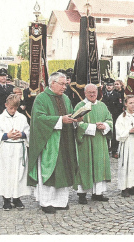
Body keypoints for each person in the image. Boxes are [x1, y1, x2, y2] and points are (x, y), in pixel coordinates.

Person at [28, 72, 80, 214]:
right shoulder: (41, 99)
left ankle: (61, 201)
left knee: (64, 169)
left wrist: (75, 119)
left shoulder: (66, 98)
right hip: (50, 141)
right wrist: (59, 120)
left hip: (65, 139)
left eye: (65, 84)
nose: (65, 87)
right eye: (62, 84)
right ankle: (46, 202)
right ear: (52, 83)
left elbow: (69, 114)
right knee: (49, 170)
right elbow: (38, 119)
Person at [74, 84, 113, 204]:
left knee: (99, 165)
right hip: (86, 142)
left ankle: (98, 193)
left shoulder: (102, 105)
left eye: (94, 92)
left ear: (97, 93)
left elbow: (109, 119)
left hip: (100, 141)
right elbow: (76, 124)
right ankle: (82, 194)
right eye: (89, 92)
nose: (92, 94)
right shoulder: (80, 106)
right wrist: (93, 127)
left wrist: (104, 125)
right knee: (86, 166)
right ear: (85, 93)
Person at [0, 94, 31, 211]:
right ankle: (6, 199)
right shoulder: (0, 119)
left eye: (15, 108)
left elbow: (27, 131)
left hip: (19, 148)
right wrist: (6, 135)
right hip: (6, 149)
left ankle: (17, 198)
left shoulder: (22, 118)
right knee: (6, 174)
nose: (13, 111)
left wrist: (22, 134)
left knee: (19, 173)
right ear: (6, 105)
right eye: (11, 108)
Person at [114, 95, 134, 197]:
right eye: (130, 103)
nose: (133, 105)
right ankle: (124, 187)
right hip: (126, 143)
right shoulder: (122, 117)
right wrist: (129, 131)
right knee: (125, 165)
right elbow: (118, 132)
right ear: (126, 104)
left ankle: (132, 186)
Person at [102, 78, 123, 158]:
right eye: (107, 85)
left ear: (113, 86)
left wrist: (114, 114)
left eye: (110, 85)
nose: (109, 87)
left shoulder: (117, 95)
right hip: (104, 117)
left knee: (114, 134)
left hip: (114, 116)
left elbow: (120, 106)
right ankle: (106, 149)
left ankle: (114, 150)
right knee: (105, 132)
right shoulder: (102, 94)